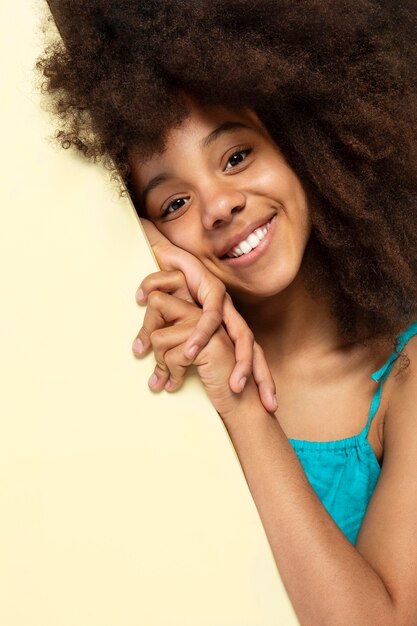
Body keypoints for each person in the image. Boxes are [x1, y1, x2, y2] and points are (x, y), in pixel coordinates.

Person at [38, 1, 417, 623]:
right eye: (174, 202)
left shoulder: (405, 376)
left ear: (303, 143)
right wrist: (138, 240)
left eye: (237, 156)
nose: (217, 207)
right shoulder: (149, 348)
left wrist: (239, 400)